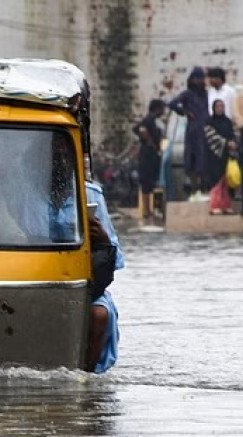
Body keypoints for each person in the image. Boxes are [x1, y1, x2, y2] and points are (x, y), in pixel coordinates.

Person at [85, 181, 124, 374]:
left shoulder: (90, 194)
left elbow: (113, 261)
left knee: (99, 314)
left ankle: (88, 374)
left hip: (84, 283)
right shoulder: (23, 192)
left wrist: (103, 239)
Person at [168, 66, 209, 199]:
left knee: (204, 161)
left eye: (201, 78)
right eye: (196, 78)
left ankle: (203, 190)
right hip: (192, 131)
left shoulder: (206, 94)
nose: (199, 81)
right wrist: (185, 112)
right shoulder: (187, 94)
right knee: (191, 160)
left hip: (205, 131)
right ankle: (193, 189)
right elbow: (172, 104)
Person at [133, 99, 166, 219]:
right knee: (146, 182)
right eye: (162, 109)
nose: (163, 111)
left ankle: (151, 209)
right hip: (147, 154)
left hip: (153, 154)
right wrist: (148, 140)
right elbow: (138, 129)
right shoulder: (149, 120)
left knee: (152, 182)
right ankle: (147, 210)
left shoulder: (155, 121)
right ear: (157, 109)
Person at [205, 99, 236, 214]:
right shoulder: (209, 122)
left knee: (226, 180)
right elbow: (211, 137)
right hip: (214, 155)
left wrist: (233, 143)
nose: (220, 108)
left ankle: (225, 205)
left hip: (226, 155)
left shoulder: (227, 121)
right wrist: (225, 142)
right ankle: (215, 205)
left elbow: (233, 133)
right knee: (216, 180)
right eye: (217, 106)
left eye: (222, 106)